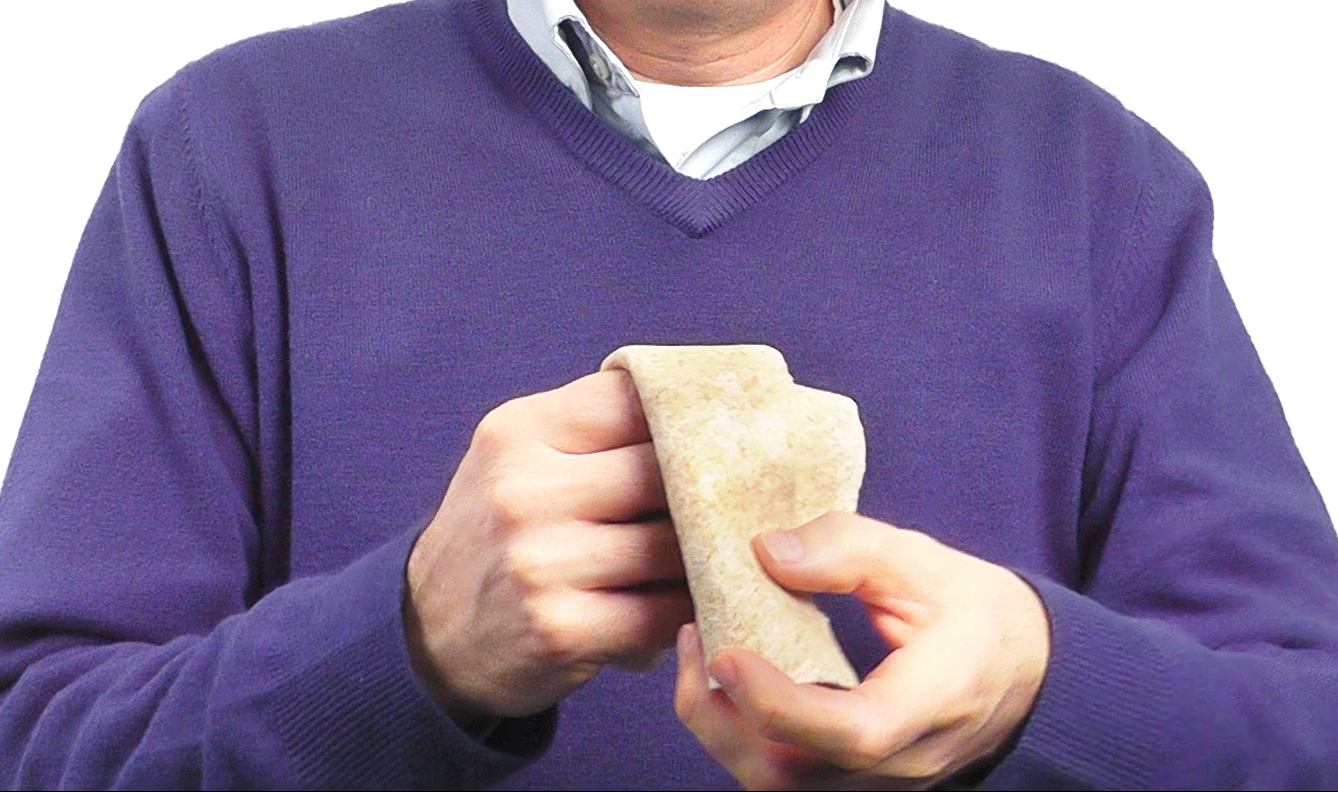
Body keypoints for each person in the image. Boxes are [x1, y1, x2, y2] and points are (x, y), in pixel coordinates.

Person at [0, 0, 1335, 789]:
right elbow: (34, 736)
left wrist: (1043, 682)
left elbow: (1304, 727)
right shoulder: (229, 152)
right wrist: (404, 647)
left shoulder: (1097, 181)